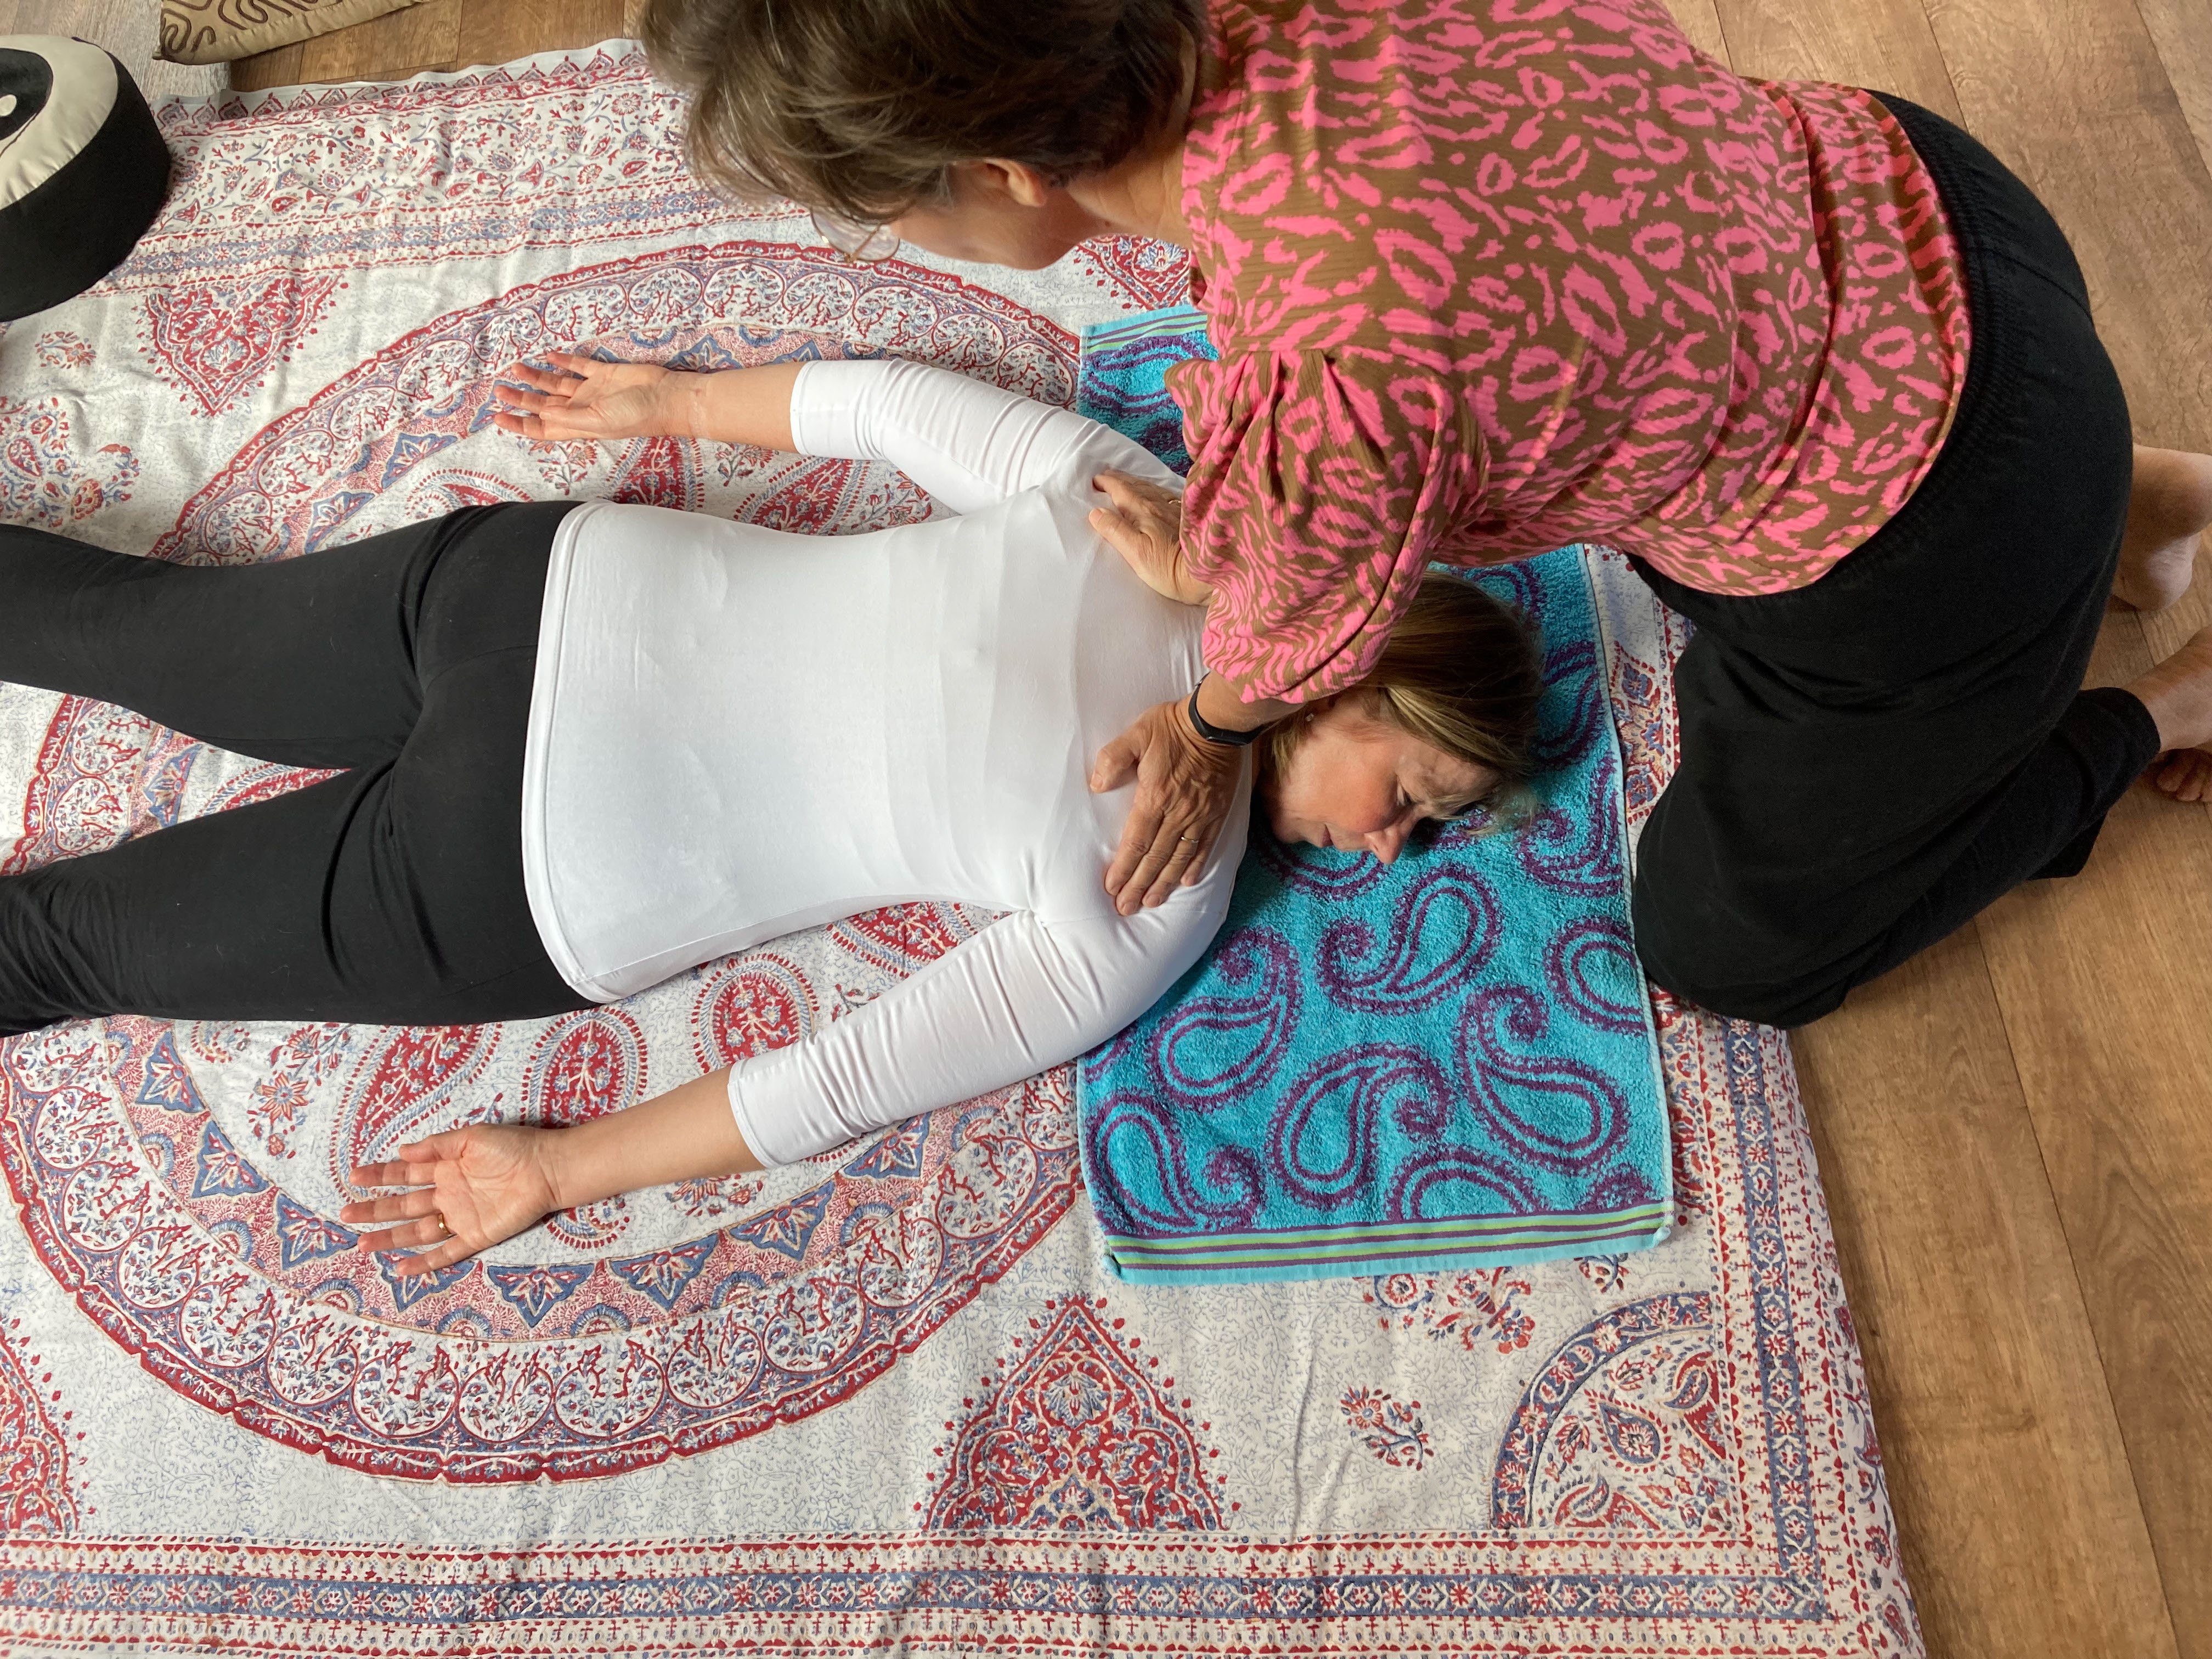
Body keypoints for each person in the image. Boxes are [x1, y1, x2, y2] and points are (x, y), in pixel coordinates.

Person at [637, 0, 2212, 1025]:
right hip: (1924, 205)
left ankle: (2172, 694)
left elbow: (1293, 632)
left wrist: (1213, 722)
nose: (901, 242)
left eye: (888, 214)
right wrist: (1235, 544)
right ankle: (2137, 508)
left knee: (1735, 954)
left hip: (1933, 522)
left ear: (1000, 169)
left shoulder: (1331, 374)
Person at [0, 357, 1543, 1272]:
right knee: (66, 944)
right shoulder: (1163, 887)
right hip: (523, 866)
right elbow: (839, 1081)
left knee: (118, 630)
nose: (1383, 850)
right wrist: (558, 1174)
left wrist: (672, 402)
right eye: (1413, 796)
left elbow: (886, 408)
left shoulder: (1144, 507)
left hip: (538, 597)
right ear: (1361, 675)